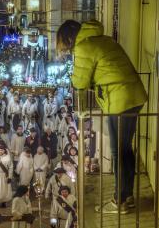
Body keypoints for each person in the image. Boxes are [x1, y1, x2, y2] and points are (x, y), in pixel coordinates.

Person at [57, 19, 147, 214]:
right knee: (125, 149)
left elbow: (79, 82)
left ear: (70, 38)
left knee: (117, 152)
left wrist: (72, 75)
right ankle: (127, 195)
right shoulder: (102, 39)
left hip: (119, 99)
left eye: (65, 44)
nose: (67, 50)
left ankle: (120, 200)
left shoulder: (83, 47)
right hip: (132, 95)